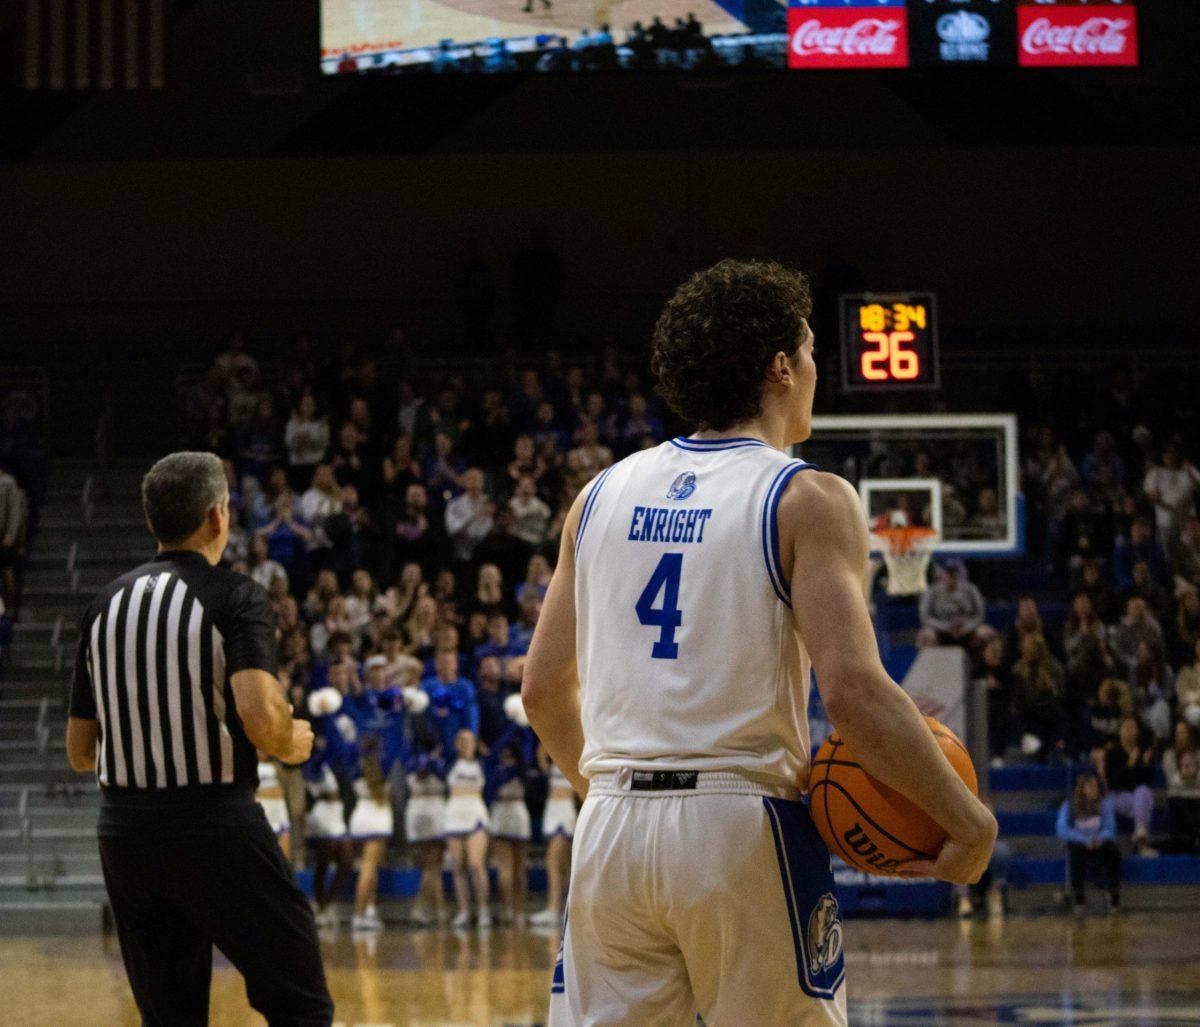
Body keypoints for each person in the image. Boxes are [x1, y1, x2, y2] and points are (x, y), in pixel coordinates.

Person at [521, 261, 995, 1025]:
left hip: (608, 824)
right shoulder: (806, 495)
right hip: (739, 826)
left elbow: (541, 690)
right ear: (780, 367)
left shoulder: (598, 494)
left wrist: (624, 800)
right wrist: (968, 820)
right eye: (808, 350)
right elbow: (854, 692)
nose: (815, 368)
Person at [64, 451, 332, 1025]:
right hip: (215, 826)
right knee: (301, 1004)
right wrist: (292, 741)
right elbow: (261, 719)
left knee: (171, 1018)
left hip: (125, 835)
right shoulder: (237, 596)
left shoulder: (102, 605)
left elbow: (80, 751)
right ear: (218, 516)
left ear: (152, 519)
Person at [443, 729, 491, 929]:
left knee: (476, 864)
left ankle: (483, 910)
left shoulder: (483, 763)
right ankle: (464, 911)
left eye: (470, 741)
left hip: (475, 813)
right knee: (458, 866)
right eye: (462, 741)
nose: (466, 744)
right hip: (455, 814)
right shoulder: (449, 763)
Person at [1056, 773, 1121, 916]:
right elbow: (1062, 830)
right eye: (1090, 787)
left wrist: (1099, 839)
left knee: (1114, 852)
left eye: (1095, 787)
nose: (1094, 790)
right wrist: (1085, 840)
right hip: (1079, 844)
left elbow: (1110, 828)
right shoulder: (1069, 805)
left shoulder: (1104, 804)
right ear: (1082, 788)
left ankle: (1114, 898)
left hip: (1099, 843)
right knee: (1076, 854)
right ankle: (1079, 901)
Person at [348, 735, 393, 932]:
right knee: (368, 868)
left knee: (368, 867)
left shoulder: (354, 765)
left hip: (359, 816)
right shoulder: (385, 764)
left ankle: (368, 911)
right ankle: (358, 915)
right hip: (378, 816)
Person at [530, 747, 576, 929]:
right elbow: (541, 751)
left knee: (552, 861)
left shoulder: (573, 760)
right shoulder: (553, 765)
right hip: (552, 810)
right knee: (563, 865)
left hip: (565, 811)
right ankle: (563, 909)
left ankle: (553, 908)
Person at [1101, 716, 1159, 857]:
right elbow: (1114, 783)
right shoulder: (1112, 753)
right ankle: (1143, 844)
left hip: (1139, 796)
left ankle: (1140, 832)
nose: (1129, 730)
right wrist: (1130, 765)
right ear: (1120, 731)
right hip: (1118, 797)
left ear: (1137, 732)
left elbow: (1149, 780)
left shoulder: (1144, 752)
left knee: (1143, 791)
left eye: (1132, 727)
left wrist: (1145, 765)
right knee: (1143, 799)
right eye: (1126, 727)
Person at [488, 741, 531, 926]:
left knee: (505, 868)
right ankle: (519, 912)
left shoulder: (495, 770)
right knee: (520, 869)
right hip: (518, 813)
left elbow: (488, 793)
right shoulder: (522, 769)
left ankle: (507, 911)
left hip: (501, 813)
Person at [405, 750, 448, 926]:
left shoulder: (410, 756)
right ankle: (422, 907)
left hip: (419, 809)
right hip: (431, 811)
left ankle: (438, 909)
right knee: (432, 865)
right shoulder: (421, 759)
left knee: (432, 866)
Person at [256, 755, 292, 862]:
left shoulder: (276, 765)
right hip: (263, 810)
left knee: (285, 858)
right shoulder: (248, 765)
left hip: (279, 810)